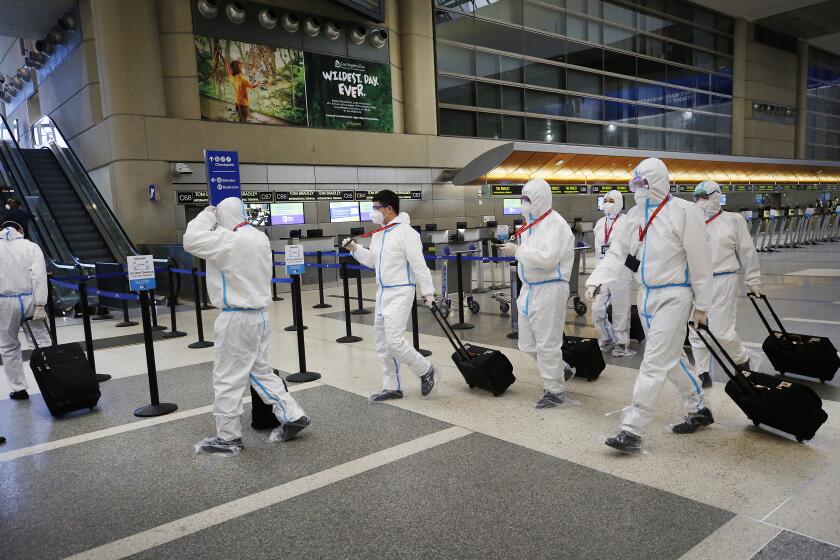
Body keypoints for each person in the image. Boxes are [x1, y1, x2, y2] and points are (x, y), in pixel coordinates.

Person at [585, 158, 714, 454]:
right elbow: (619, 253)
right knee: (669, 359)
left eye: (643, 183)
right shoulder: (634, 215)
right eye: (635, 184)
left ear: (657, 182)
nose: (638, 189)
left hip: (675, 296)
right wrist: (597, 279)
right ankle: (698, 409)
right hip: (645, 296)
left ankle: (632, 429)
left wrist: (702, 304)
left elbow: (700, 260)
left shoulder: (684, 212)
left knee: (653, 361)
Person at [183, 197, 310, 456]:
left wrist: (207, 214)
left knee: (227, 377)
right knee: (261, 372)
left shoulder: (229, 240)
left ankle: (228, 438)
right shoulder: (258, 237)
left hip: (237, 318)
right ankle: (293, 414)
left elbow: (191, 240)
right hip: (260, 316)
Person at [343, 189, 438, 403]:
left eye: (376, 207)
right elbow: (373, 261)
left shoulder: (406, 233)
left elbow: (418, 264)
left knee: (395, 340)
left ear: (389, 209)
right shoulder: (379, 234)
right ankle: (391, 386)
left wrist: (428, 292)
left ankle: (425, 370)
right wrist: (355, 248)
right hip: (383, 293)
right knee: (382, 343)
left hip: (402, 291)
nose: (374, 212)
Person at [499, 178, 575, 409]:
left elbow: (548, 260)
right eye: (523, 199)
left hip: (550, 288)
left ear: (540, 199)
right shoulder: (530, 225)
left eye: (528, 199)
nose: (524, 204)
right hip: (529, 289)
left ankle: (554, 391)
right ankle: (561, 368)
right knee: (527, 343)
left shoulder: (556, 224)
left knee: (547, 343)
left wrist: (518, 251)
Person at [687, 180, 761, 388]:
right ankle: (702, 371)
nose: (700, 202)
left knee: (721, 331)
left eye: (704, 196)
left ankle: (741, 358)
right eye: (697, 197)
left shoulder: (733, 220)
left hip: (724, 279)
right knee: (697, 329)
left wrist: (753, 279)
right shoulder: (692, 220)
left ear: (716, 196)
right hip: (697, 281)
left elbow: (747, 251)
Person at [0, 220, 51, 400]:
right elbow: (38, 276)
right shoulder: (31, 246)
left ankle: (18, 388)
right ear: (20, 229)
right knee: (41, 341)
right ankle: (52, 380)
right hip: (29, 299)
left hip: (3, 302)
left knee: (8, 345)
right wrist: (40, 304)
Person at [591, 190, 636, 358]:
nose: (608, 203)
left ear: (619, 202)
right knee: (597, 308)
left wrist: (632, 270)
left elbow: (633, 247)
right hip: (602, 271)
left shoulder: (627, 222)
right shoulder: (600, 223)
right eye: (606, 200)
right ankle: (606, 337)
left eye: (611, 200)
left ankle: (621, 344)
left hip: (620, 271)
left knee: (620, 309)